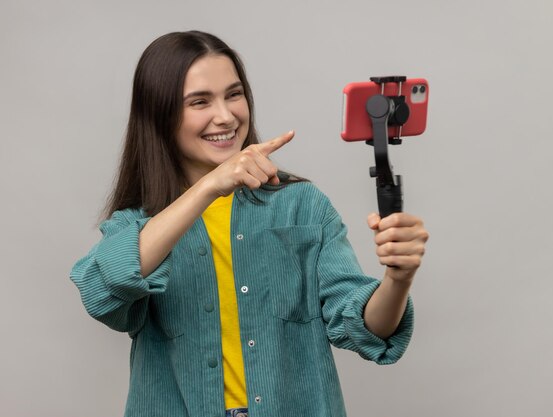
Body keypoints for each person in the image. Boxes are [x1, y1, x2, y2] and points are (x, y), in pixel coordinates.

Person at [70, 30, 428, 417]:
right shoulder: (138, 226)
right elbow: (102, 291)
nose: (225, 116)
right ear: (161, 114)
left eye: (234, 94)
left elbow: (366, 329)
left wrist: (398, 278)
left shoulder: (302, 206)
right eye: (200, 101)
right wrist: (210, 186)